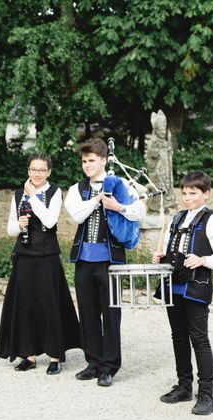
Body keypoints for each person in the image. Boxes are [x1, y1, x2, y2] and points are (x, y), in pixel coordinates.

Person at [64, 138, 146, 387]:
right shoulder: (77, 189)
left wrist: (118, 206)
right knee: (87, 313)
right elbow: (77, 215)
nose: (87, 165)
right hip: (84, 260)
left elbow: (140, 211)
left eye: (91, 160)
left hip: (111, 260)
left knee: (111, 315)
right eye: (84, 161)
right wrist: (98, 199)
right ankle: (93, 362)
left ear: (103, 160)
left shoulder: (120, 184)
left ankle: (109, 367)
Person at [0, 154, 80, 374]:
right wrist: (19, 224)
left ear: (49, 172)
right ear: (28, 170)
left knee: (49, 304)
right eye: (33, 169)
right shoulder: (17, 195)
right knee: (25, 304)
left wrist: (33, 196)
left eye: (42, 170)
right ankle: (29, 355)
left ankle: (55, 356)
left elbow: (50, 220)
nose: (37, 174)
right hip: (24, 255)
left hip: (46, 256)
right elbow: (10, 229)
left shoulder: (54, 193)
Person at [152, 171, 213, 415]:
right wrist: (160, 257)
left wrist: (204, 259)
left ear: (206, 194)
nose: (187, 198)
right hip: (173, 286)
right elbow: (169, 251)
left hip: (196, 287)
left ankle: (206, 394)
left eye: (193, 194)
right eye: (184, 193)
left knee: (199, 339)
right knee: (178, 337)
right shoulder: (176, 219)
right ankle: (184, 386)